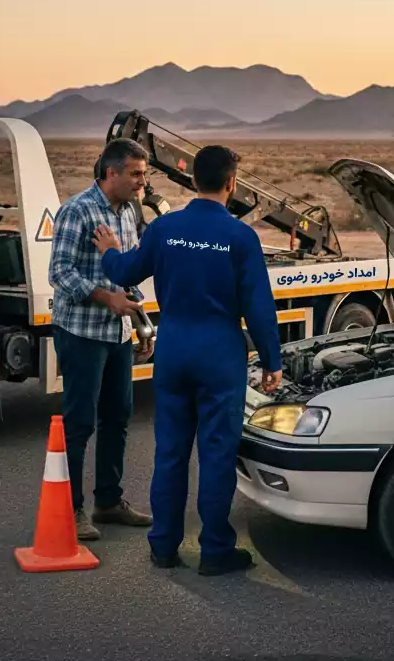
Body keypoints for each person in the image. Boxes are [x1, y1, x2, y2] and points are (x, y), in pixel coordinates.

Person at [93, 145, 283, 575]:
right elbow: (258, 307)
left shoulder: (166, 229)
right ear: (232, 184)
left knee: (171, 453)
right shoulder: (240, 237)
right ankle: (215, 551)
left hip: (174, 352)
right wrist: (272, 361)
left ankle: (163, 546)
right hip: (219, 355)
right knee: (217, 454)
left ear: (193, 180)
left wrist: (108, 250)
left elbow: (124, 272)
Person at [48, 138, 154, 540]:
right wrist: (102, 296)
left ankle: (108, 502)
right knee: (79, 423)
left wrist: (142, 322)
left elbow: (125, 273)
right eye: (135, 174)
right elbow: (59, 272)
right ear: (111, 173)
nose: (141, 183)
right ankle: (71, 509)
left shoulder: (128, 212)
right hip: (81, 332)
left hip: (119, 333)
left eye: (143, 174)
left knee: (118, 417)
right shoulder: (76, 210)